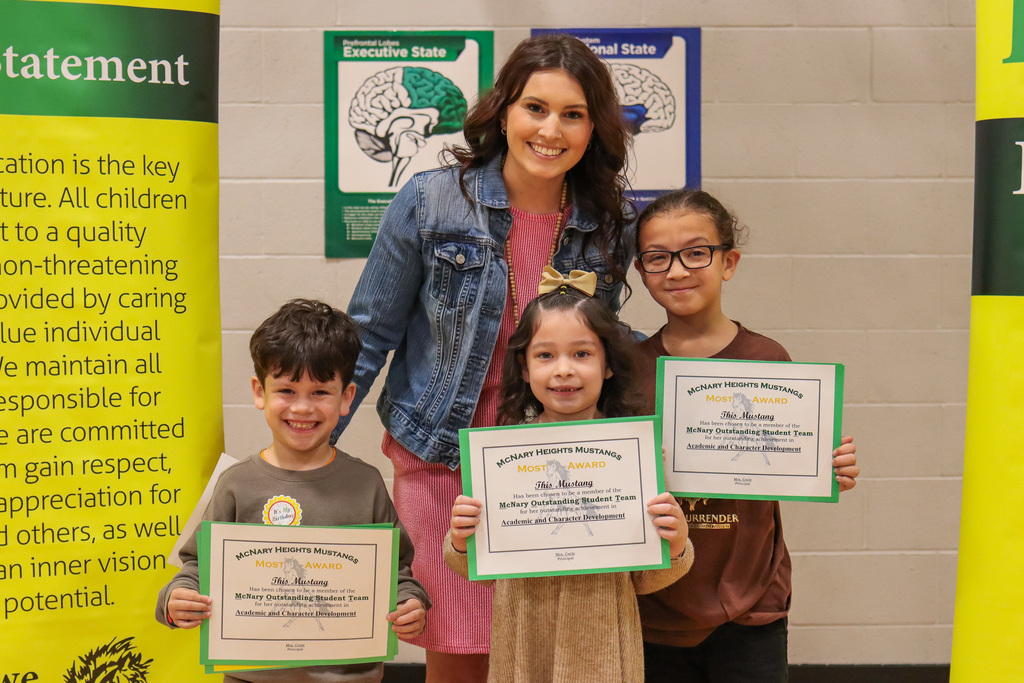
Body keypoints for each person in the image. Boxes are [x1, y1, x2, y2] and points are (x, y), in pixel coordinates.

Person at [331, 33, 635, 682]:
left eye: (573, 114)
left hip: (549, 468)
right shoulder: (432, 200)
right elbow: (367, 335)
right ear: (503, 113)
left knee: (547, 653)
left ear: (593, 128)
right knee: (460, 654)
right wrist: (309, 456)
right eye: (535, 107)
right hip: (442, 460)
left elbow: (605, 359)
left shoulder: (605, 223)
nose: (551, 129)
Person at [629, 190, 860, 682]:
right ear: (641, 269)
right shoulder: (626, 372)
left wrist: (828, 467)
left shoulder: (769, 360)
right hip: (653, 608)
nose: (676, 271)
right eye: (657, 258)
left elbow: (796, 461)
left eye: (696, 253)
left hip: (751, 606)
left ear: (728, 261)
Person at [156, 299, 429, 683]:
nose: (302, 408)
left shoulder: (366, 484)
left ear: (346, 398)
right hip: (250, 677)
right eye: (286, 389)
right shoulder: (236, 484)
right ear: (259, 392)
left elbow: (397, 573)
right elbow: (196, 570)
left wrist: (409, 604)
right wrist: (175, 600)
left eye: (320, 392)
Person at [445, 278, 695, 682]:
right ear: (524, 369)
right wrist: (460, 537)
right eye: (545, 355)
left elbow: (648, 579)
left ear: (608, 364)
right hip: (523, 643)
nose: (564, 370)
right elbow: (472, 563)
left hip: (604, 650)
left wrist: (677, 541)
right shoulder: (501, 457)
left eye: (582, 353)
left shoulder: (633, 456)